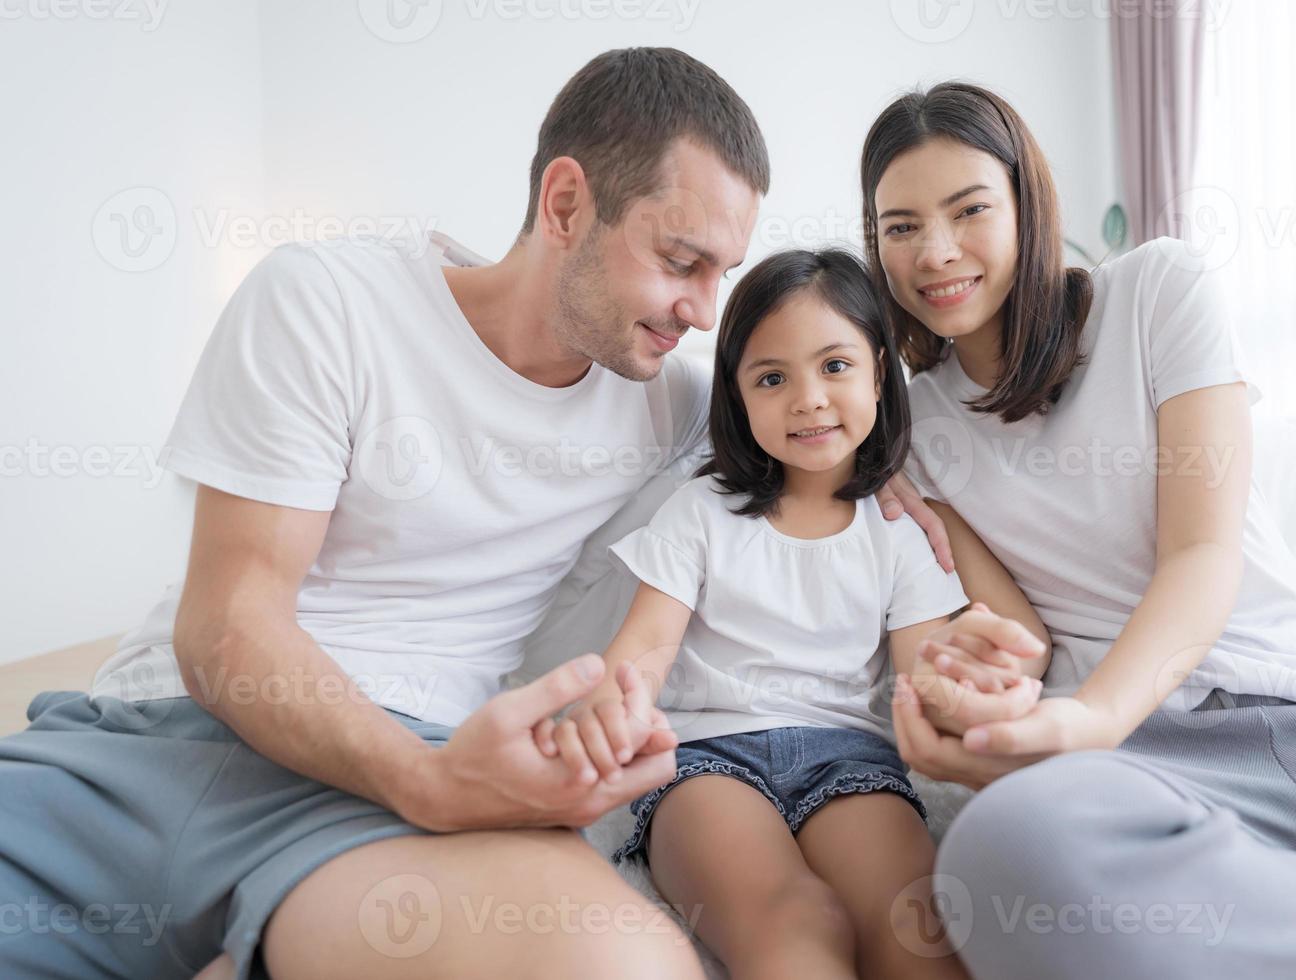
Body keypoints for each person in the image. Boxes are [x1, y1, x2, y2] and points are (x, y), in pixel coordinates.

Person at [0, 49, 952, 980]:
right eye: (680, 261)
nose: (704, 310)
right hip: (166, 739)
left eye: (722, 272)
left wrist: (886, 472)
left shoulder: (666, 397)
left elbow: (806, 423)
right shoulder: (327, 302)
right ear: (567, 203)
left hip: (380, 810)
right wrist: (436, 785)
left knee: (625, 964)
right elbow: (229, 625)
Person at [859, 81, 1296, 979]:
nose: (936, 251)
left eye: (969, 209)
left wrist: (1087, 721)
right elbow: (1018, 639)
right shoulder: (910, 430)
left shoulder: (1155, 291)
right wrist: (974, 711)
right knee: (1001, 856)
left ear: (1027, 204)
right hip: (1151, 774)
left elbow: (1202, 551)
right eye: (900, 226)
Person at [541, 248, 1050, 979]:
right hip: (707, 764)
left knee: (914, 929)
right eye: (773, 378)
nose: (808, 398)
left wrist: (968, 678)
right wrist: (606, 716)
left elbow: (923, 685)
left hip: (853, 764)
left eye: (835, 367)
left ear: (880, 370)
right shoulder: (701, 512)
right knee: (795, 923)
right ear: (739, 396)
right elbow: (642, 652)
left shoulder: (900, 530)